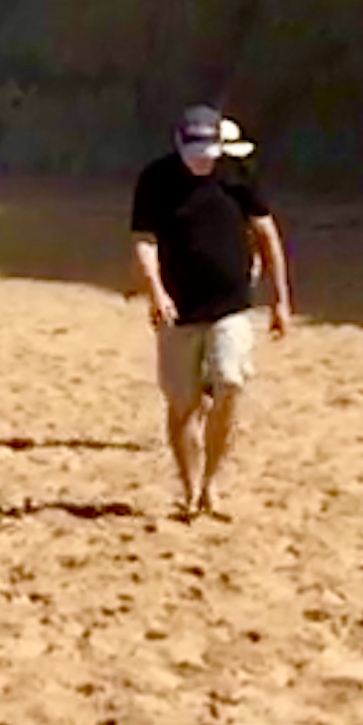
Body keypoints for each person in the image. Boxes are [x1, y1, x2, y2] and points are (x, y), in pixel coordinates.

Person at [128, 102, 292, 522]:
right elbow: (144, 241)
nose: (203, 160)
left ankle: (212, 485)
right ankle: (190, 490)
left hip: (231, 304)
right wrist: (156, 292)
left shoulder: (236, 174)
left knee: (230, 383)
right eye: (195, 150)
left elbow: (266, 233)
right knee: (182, 404)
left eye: (210, 149)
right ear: (179, 143)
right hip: (178, 311)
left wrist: (280, 299)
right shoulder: (155, 179)